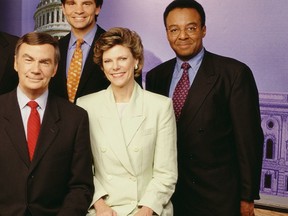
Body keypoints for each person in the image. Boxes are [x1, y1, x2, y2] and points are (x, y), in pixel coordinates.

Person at [145, 1, 264, 216]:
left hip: (218, 198)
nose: (182, 36)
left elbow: (249, 141)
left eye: (190, 28)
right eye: (174, 29)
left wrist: (247, 197)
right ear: (167, 33)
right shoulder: (156, 77)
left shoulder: (234, 74)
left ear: (203, 30)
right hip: (170, 197)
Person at [77, 27, 177, 216]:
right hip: (103, 210)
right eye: (108, 61)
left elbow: (166, 173)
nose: (115, 67)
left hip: (148, 208)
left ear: (136, 61)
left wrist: (147, 209)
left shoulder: (160, 106)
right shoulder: (86, 105)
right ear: (102, 66)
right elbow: (82, 170)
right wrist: (100, 206)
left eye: (122, 59)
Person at [0, 32, 94, 216]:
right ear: (15, 63)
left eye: (44, 62)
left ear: (55, 68)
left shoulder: (75, 118)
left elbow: (80, 186)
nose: (36, 69)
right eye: (28, 60)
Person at [49, 0, 110, 103]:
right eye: (72, 3)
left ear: (97, 8)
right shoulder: (54, 49)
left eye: (86, 4)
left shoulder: (115, 46)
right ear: (63, 8)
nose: (79, 11)